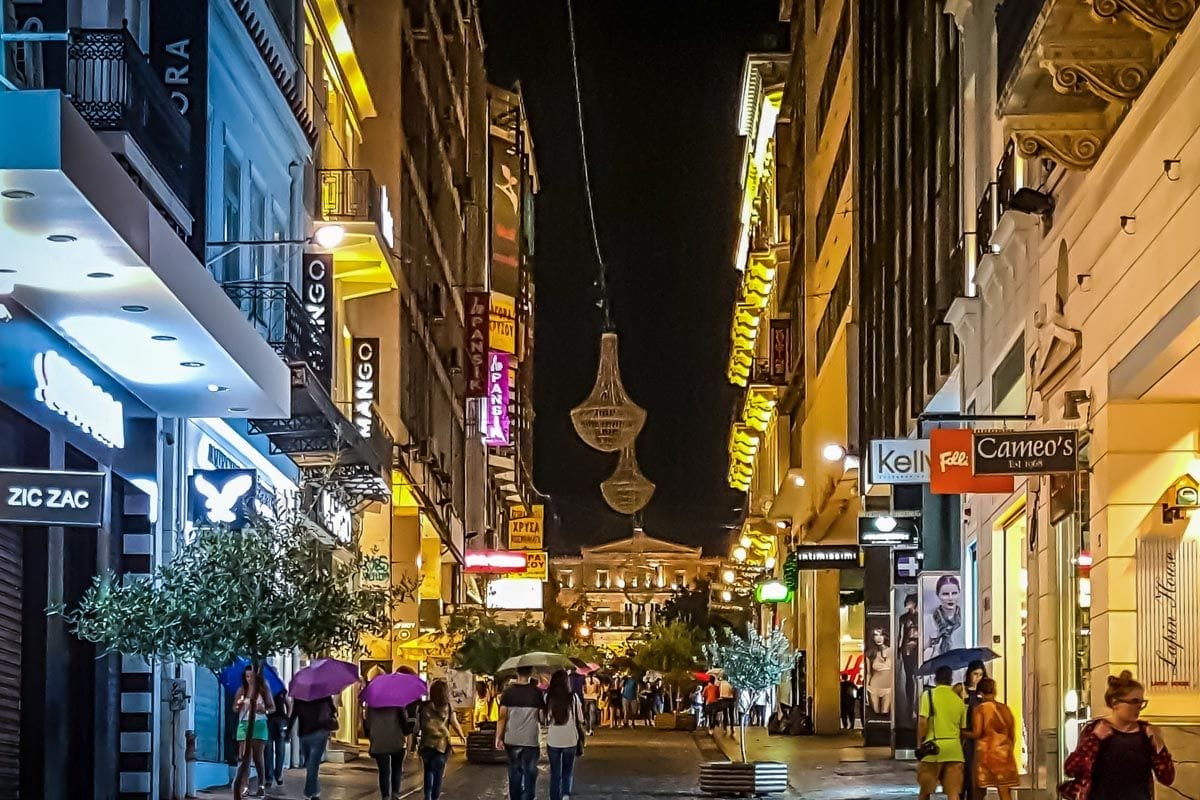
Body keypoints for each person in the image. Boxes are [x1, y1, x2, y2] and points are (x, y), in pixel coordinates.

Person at [1061, 671, 1175, 800]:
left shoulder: (1146, 734)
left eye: (1141, 702)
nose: (1138, 707)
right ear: (1115, 703)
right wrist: (1094, 740)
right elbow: (1071, 769)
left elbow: (1167, 777)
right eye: (1134, 701)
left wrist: (1159, 746)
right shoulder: (1096, 730)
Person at [917, 665, 969, 800]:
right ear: (951, 680)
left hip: (933, 749)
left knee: (925, 792)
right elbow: (962, 730)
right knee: (953, 793)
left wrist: (920, 742)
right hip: (955, 751)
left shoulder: (928, 696)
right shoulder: (959, 701)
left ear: (935, 679)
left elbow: (923, 722)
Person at [495, 665, 545, 800]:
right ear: (530, 673)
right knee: (530, 772)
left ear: (517, 673)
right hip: (530, 739)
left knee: (514, 772)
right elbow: (541, 717)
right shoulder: (536, 692)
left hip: (512, 739)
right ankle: (528, 797)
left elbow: (502, 717)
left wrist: (498, 738)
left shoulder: (508, 692)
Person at [964, 678, 1017, 800]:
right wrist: (1009, 749)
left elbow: (977, 733)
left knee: (979, 791)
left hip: (986, 755)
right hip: (1004, 754)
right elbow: (1012, 733)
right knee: (1004, 793)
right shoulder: (1005, 709)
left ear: (980, 693)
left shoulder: (981, 709)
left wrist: (962, 733)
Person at [418, 679, 465, 800]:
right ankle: (434, 798)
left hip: (426, 744)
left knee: (428, 771)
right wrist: (461, 736)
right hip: (442, 746)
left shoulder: (423, 706)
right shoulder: (448, 706)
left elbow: (418, 726)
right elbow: (454, 723)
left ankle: (427, 796)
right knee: (438, 775)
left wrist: (413, 744)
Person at [234, 667, 275, 798]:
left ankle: (261, 786)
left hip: (259, 724)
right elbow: (234, 708)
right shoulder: (242, 690)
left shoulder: (263, 689)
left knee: (258, 757)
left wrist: (264, 709)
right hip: (244, 724)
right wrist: (239, 705)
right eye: (247, 676)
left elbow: (272, 708)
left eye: (252, 676)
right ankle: (244, 786)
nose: (249, 679)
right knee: (244, 756)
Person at [546, 670, 584, 800]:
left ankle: (554, 797)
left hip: (553, 740)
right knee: (567, 772)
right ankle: (565, 795)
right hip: (570, 740)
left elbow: (543, 718)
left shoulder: (548, 698)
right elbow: (581, 718)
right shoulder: (573, 698)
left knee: (555, 772)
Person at [290, 694, 337, 800]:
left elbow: (294, 713)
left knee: (312, 764)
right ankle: (315, 791)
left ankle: (309, 792)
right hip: (314, 732)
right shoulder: (324, 694)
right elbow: (332, 710)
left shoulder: (300, 694)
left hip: (308, 733)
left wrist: (288, 729)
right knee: (311, 764)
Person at [365, 702, 413, 800]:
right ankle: (395, 794)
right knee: (397, 768)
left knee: (384, 771)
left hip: (379, 742)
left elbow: (367, 725)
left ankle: (385, 796)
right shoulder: (397, 702)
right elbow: (404, 724)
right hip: (396, 741)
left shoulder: (372, 703)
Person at [962, 660, 988, 800]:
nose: (977, 678)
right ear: (969, 674)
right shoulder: (962, 690)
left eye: (980, 675)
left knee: (976, 777)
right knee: (964, 774)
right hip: (965, 737)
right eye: (975, 674)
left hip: (978, 739)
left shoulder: (983, 694)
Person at [923, 576, 965, 660]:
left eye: (954, 593)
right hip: (937, 666)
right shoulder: (929, 619)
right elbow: (923, 647)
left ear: (959, 593)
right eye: (945, 594)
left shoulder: (965, 618)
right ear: (938, 595)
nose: (950, 598)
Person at [264, 688, 291, 788]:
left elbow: (289, 704)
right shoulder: (264, 689)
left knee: (280, 749)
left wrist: (288, 719)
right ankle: (269, 777)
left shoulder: (281, 689)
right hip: (268, 720)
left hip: (280, 721)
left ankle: (277, 774)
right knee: (268, 750)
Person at [864, 628, 893, 717]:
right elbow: (868, 673)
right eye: (875, 635)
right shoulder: (870, 653)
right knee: (875, 716)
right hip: (873, 688)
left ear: (885, 636)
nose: (878, 638)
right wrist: (865, 690)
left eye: (880, 634)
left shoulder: (892, 651)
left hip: (889, 688)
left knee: (886, 714)